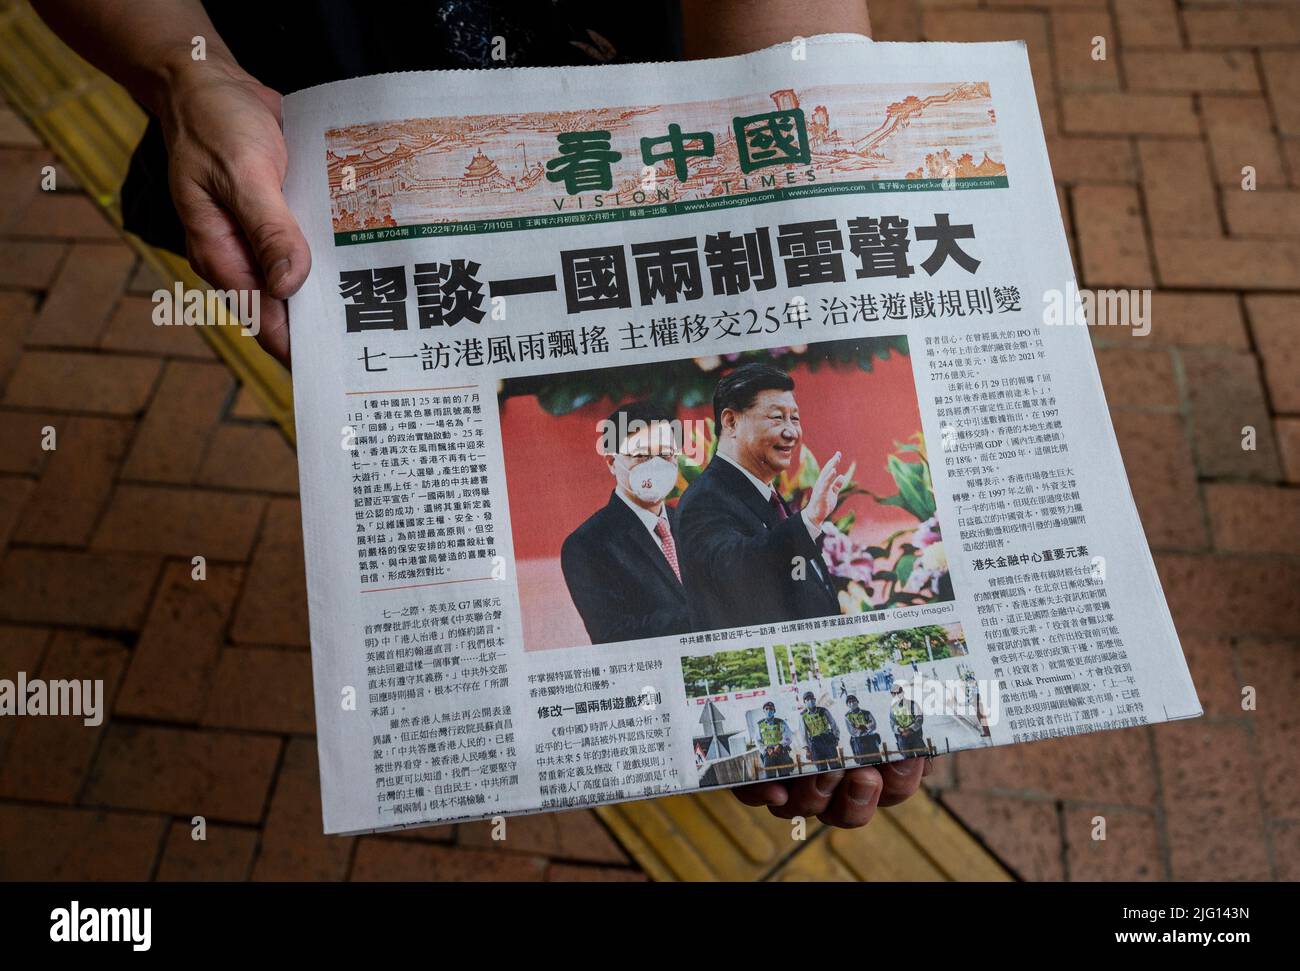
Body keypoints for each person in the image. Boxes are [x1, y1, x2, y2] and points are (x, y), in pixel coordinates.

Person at [34, 0, 933, 833]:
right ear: (612, 449)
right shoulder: (612, 539)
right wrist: (184, 72)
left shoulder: (740, 506)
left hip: (631, 121)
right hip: (315, 134)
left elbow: (788, 55)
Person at [676, 363, 843, 630]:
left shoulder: (765, 492)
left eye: (795, 418)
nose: (792, 432)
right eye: (777, 418)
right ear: (731, 421)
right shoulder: (704, 499)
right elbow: (741, 570)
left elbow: (796, 575)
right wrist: (809, 520)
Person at [561, 403, 690, 645]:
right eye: (641, 455)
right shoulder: (587, 544)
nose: (656, 465)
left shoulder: (689, 524)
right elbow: (612, 634)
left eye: (665, 454)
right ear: (611, 461)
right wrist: (705, 613)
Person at [799, 691, 842, 772]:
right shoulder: (803, 715)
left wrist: (836, 738)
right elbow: (803, 733)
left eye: (811, 699)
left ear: (814, 700)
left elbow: (833, 724)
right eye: (807, 699)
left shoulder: (823, 710)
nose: (810, 701)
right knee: (821, 768)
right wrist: (807, 749)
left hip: (827, 740)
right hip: (815, 744)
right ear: (804, 702)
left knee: (835, 765)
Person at [755, 701, 795, 780]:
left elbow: (788, 737)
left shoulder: (781, 722)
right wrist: (766, 749)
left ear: (774, 710)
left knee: (785, 777)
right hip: (768, 754)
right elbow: (757, 741)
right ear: (763, 711)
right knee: (770, 778)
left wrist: (780, 745)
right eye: (766, 709)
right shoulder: (759, 725)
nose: (769, 711)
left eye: (771, 709)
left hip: (781, 752)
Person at [843, 695, 882, 765]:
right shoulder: (847, 716)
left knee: (876, 758)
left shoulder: (866, 713)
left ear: (857, 702)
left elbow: (873, 724)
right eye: (849, 702)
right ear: (847, 704)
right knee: (863, 761)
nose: (852, 703)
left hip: (870, 738)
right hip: (859, 741)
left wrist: (865, 727)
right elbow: (851, 730)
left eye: (854, 701)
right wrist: (860, 731)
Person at [889, 684, 927, 755]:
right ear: (892, 695)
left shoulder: (913, 704)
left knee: (923, 755)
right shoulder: (893, 709)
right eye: (894, 693)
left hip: (915, 735)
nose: (897, 695)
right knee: (908, 758)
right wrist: (900, 730)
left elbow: (919, 718)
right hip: (902, 737)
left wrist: (910, 729)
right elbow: (893, 724)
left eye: (899, 692)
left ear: (902, 692)